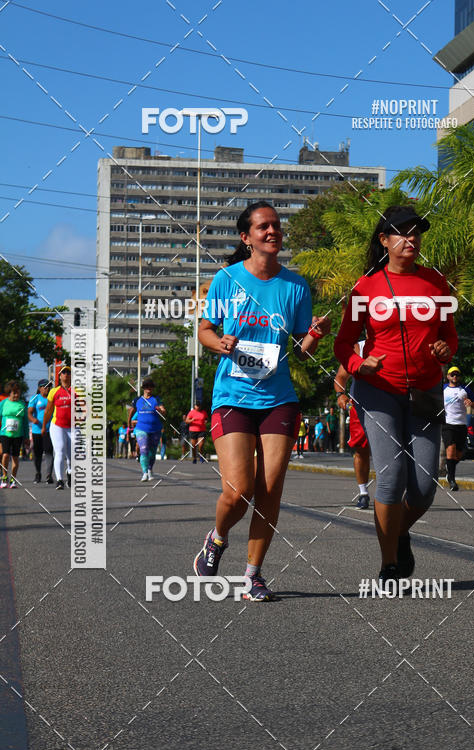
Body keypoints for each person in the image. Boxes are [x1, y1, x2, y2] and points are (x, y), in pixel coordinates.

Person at [193, 200, 330, 601]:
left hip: (279, 398)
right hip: (233, 396)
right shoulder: (226, 280)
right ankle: (217, 539)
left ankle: (253, 575)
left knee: (270, 488)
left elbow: (302, 350)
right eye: (263, 227)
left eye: (276, 226)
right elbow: (204, 330)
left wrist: (316, 334)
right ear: (246, 237)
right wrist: (220, 342)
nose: (273, 232)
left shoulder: (295, 286)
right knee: (239, 490)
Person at [334, 205, 458, 583]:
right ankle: (389, 565)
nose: (411, 239)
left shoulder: (436, 282)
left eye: (416, 233)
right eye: (401, 233)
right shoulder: (366, 286)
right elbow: (342, 344)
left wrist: (444, 350)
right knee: (391, 477)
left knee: (423, 486)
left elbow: (449, 334)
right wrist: (358, 366)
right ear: (384, 241)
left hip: (424, 391)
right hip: (378, 391)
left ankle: (399, 531)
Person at [334, 344, 371, 510]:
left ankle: (395, 492)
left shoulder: (398, 342)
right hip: (360, 406)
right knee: (361, 450)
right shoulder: (359, 347)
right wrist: (340, 394)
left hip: (391, 406)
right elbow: (341, 376)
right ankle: (363, 492)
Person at [442, 366, 474, 491]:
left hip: (461, 425)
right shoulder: (443, 389)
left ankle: (449, 466)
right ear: (448, 376)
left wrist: (471, 403)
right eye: (452, 375)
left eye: (457, 375)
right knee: (451, 451)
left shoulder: (465, 389)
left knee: (459, 455)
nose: (455, 377)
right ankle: (451, 480)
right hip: (448, 424)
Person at [128, 379, 166, 482]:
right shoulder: (137, 400)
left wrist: (160, 410)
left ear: (153, 388)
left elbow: (163, 411)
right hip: (141, 428)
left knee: (152, 452)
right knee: (144, 450)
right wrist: (129, 424)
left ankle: (150, 469)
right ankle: (144, 472)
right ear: (143, 388)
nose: (149, 388)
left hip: (155, 429)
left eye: (151, 386)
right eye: (146, 386)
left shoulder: (156, 399)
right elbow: (131, 411)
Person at [42, 366, 73, 490]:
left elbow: (84, 407)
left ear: (71, 376)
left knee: (72, 455)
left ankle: (69, 472)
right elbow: (48, 411)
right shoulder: (54, 391)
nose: (66, 374)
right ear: (60, 376)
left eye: (68, 372)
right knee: (59, 451)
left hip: (72, 426)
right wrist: (44, 426)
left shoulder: (77, 391)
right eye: (63, 372)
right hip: (57, 426)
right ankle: (59, 480)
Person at [0, 381, 28, 489]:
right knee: (5, 455)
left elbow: (25, 422)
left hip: (18, 435)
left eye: (18, 393)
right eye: (14, 393)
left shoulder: (22, 404)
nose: (16, 395)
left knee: (15, 457)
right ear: (9, 393)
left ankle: (13, 479)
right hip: (5, 434)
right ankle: (4, 477)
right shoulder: (3, 404)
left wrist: (26, 437)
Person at [28, 379, 54, 483]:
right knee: (37, 453)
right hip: (37, 430)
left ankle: (49, 475)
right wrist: (33, 419)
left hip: (50, 429)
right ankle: (38, 473)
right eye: (45, 386)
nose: (48, 388)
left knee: (49, 452)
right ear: (40, 388)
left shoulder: (52, 399)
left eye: (49, 386)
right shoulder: (35, 398)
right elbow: (29, 412)